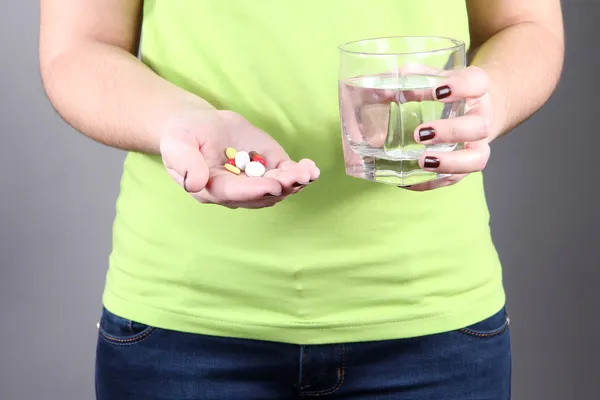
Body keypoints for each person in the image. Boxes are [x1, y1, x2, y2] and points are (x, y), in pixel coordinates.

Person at [39, 0, 564, 399]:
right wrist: (175, 122)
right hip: (185, 321)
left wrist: (485, 100)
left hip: (432, 323)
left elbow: (527, 26)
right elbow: (78, 46)